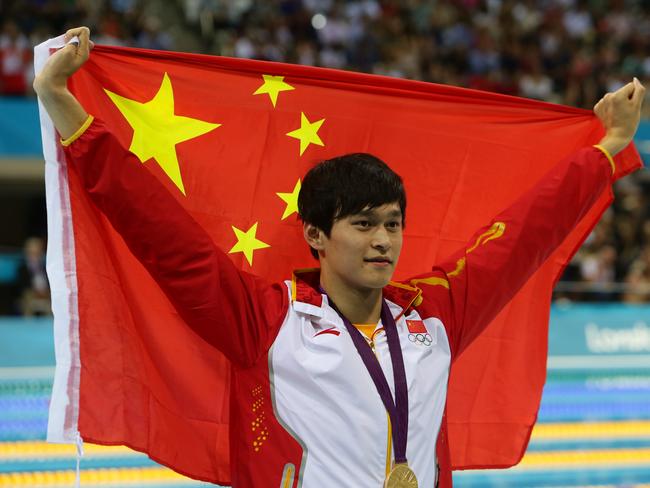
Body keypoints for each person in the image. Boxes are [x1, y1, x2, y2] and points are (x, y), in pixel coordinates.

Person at [33, 27, 645, 488]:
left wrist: (604, 148)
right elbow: (163, 236)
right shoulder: (264, 321)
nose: (383, 240)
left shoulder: (435, 315)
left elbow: (521, 237)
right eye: (362, 225)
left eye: (393, 225)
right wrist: (64, 105)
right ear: (316, 236)